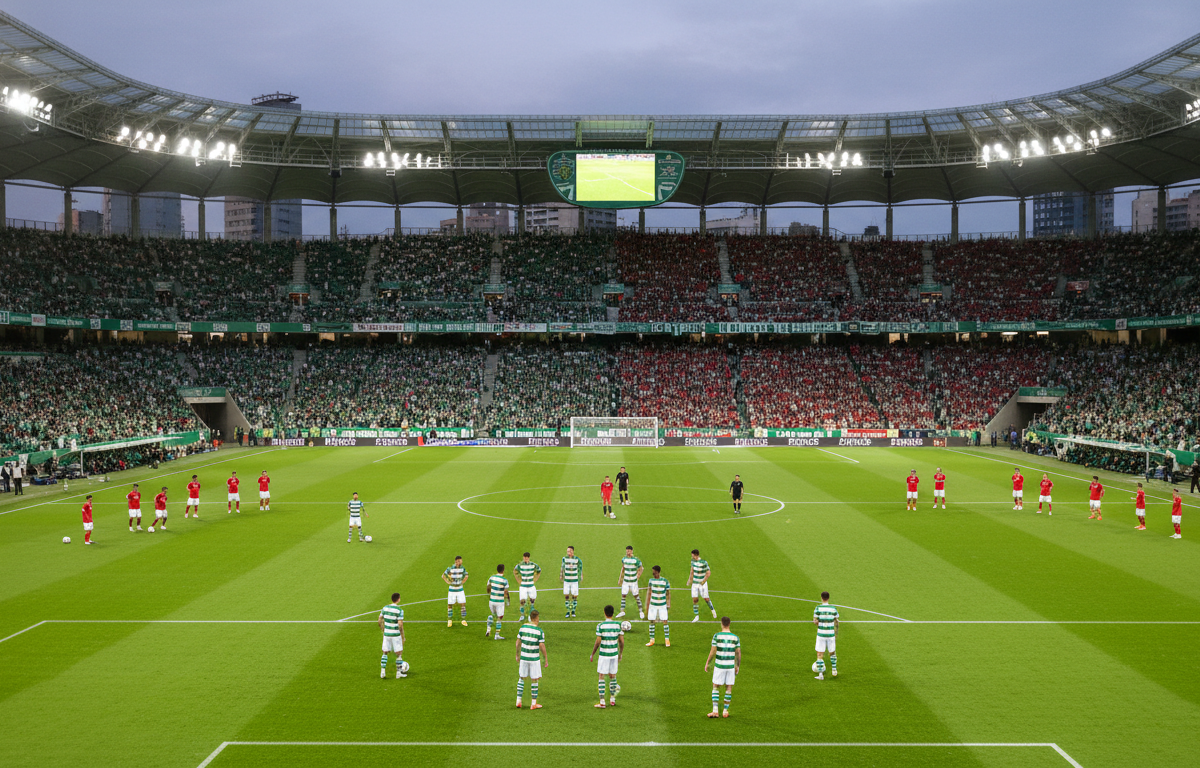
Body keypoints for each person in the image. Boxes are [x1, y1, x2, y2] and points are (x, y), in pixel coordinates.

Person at [704, 616, 741, 718]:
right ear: (729, 624)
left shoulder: (717, 636)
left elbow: (713, 651)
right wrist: (737, 665)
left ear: (722, 624)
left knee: (715, 686)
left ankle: (715, 710)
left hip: (720, 665)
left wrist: (708, 662)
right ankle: (725, 711)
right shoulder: (735, 637)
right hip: (730, 666)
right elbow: (738, 653)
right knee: (728, 687)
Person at [589, 604, 624, 708]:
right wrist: (620, 653)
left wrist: (593, 653)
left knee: (601, 676)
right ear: (613, 613)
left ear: (604, 613)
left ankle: (602, 701)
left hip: (604, 655)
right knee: (613, 676)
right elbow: (621, 642)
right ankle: (612, 699)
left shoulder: (601, 626)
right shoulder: (618, 625)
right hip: (614, 654)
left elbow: (598, 641)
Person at [515, 609, 547, 709]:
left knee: (521, 678)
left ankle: (518, 700)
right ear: (536, 618)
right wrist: (545, 658)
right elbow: (541, 645)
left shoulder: (523, 627)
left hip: (524, 657)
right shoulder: (539, 631)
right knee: (534, 679)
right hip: (534, 658)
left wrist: (517, 654)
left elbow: (517, 643)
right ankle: (533, 703)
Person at [378, 592, 406, 679]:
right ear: (398, 599)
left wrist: (383, 629)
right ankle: (398, 673)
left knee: (385, 652)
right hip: (395, 634)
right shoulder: (399, 611)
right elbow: (400, 625)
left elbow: (379, 620)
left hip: (386, 634)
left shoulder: (385, 608)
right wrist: (402, 636)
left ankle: (382, 672)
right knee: (398, 654)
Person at [813, 591, 839, 680]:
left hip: (821, 634)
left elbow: (815, 621)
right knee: (832, 652)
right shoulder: (833, 609)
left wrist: (818, 624)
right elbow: (836, 621)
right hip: (831, 633)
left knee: (820, 653)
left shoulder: (818, 608)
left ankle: (820, 675)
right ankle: (834, 669)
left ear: (821, 597)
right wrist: (836, 632)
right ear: (828, 598)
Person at [644, 565, 671, 647]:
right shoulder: (651, 581)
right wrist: (647, 605)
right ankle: (651, 640)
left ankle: (667, 640)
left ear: (658, 572)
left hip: (662, 605)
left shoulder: (665, 581)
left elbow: (668, 593)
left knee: (665, 621)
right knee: (652, 621)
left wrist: (668, 603)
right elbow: (649, 592)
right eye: (653, 572)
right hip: (653, 605)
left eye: (654, 572)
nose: (653, 574)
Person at [687, 548, 717, 622]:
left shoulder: (704, 562)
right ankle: (696, 616)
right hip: (695, 584)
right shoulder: (692, 562)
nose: (692, 557)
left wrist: (703, 581)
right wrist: (689, 580)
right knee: (695, 599)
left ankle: (713, 611)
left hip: (702, 584)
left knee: (706, 599)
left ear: (696, 555)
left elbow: (708, 573)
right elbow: (692, 571)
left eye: (693, 555)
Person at [616, 545, 644, 620]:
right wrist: (620, 579)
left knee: (636, 596)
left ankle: (641, 611)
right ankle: (622, 611)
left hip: (633, 582)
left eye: (629, 551)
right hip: (626, 581)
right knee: (623, 595)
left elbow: (641, 569)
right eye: (627, 551)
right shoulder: (624, 559)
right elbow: (623, 569)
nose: (628, 552)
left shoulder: (636, 560)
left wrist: (637, 577)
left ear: (632, 551)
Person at [485, 564, 510, 640]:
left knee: (493, 615)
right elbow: (505, 592)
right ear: (503, 570)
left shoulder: (491, 578)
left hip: (492, 601)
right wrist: (508, 601)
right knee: (499, 618)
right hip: (499, 602)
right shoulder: (504, 580)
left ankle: (488, 629)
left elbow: (488, 587)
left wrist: (490, 595)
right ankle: (497, 635)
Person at [443, 555, 469, 628]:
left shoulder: (462, 568)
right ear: (456, 561)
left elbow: (466, 575)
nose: (461, 562)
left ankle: (463, 620)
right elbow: (443, 575)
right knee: (450, 605)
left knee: (463, 604)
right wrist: (448, 581)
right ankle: (449, 620)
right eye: (460, 561)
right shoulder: (451, 568)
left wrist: (462, 582)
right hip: (452, 589)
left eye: (461, 560)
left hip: (460, 589)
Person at [515, 552, 541, 622]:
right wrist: (518, 580)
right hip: (523, 586)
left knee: (532, 602)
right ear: (523, 557)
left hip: (531, 585)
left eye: (527, 558)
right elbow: (515, 571)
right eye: (524, 557)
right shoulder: (520, 565)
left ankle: (530, 616)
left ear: (528, 558)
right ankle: (522, 616)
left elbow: (539, 571)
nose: (525, 559)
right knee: (522, 602)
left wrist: (535, 579)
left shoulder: (533, 565)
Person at [561, 545, 582, 619]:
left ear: (573, 551)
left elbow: (580, 567)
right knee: (566, 596)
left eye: (570, 551)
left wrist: (580, 576)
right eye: (567, 551)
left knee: (574, 596)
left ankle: (573, 611)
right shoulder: (564, 559)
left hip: (574, 580)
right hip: (566, 580)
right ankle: (567, 611)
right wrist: (561, 575)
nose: (568, 552)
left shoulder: (577, 559)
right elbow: (562, 567)